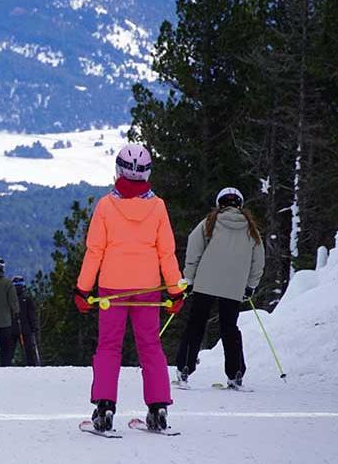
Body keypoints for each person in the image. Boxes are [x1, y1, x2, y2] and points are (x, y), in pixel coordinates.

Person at [74, 144, 184, 433]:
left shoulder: (106, 206)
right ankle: (158, 408)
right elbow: (166, 253)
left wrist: (82, 289)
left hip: (112, 288)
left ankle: (104, 407)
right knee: (150, 346)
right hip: (148, 288)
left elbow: (94, 251)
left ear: (118, 170)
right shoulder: (157, 207)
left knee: (109, 346)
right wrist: (176, 291)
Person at [173, 187, 265, 389]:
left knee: (196, 325)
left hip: (205, 283)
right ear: (240, 204)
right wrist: (250, 285)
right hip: (234, 286)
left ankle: (185, 369)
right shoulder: (251, 229)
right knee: (229, 328)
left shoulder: (209, 222)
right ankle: (235, 373)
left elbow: (194, 249)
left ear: (219, 203)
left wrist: (189, 279)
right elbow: (258, 261)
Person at [9, 275, 41, 366]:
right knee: (29, 351)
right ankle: (32, 366)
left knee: (9, 351)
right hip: (26, 329)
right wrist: (34, 327)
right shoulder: (27, 299)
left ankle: (5, 366)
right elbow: (31, 315)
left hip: (11, 329)